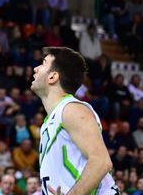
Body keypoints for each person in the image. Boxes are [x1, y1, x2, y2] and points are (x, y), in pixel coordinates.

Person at [31, 47, 116, 195]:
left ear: (53, 77)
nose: (35, 69)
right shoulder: (50, 120)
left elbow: (101, 162)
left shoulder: (72, 109)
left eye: (43, 63)